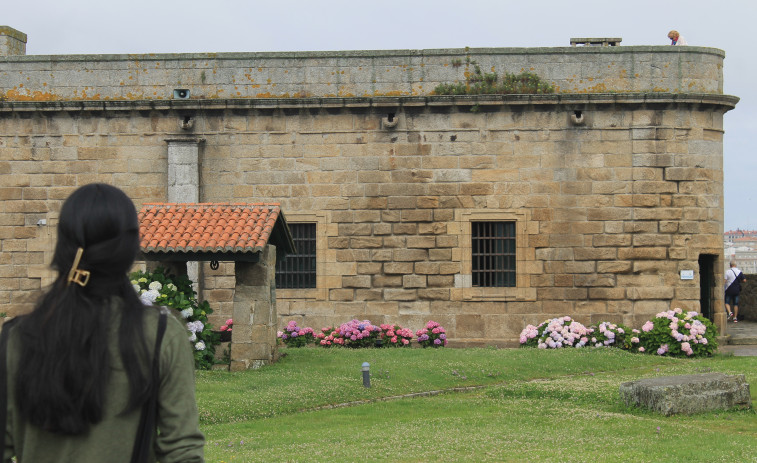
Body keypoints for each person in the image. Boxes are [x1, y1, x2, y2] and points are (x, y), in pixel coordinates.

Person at [1, 183, 204, 462]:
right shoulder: (159, 334)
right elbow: (181, 451)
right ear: (131, 248)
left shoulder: (16, 338)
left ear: (62, 246)